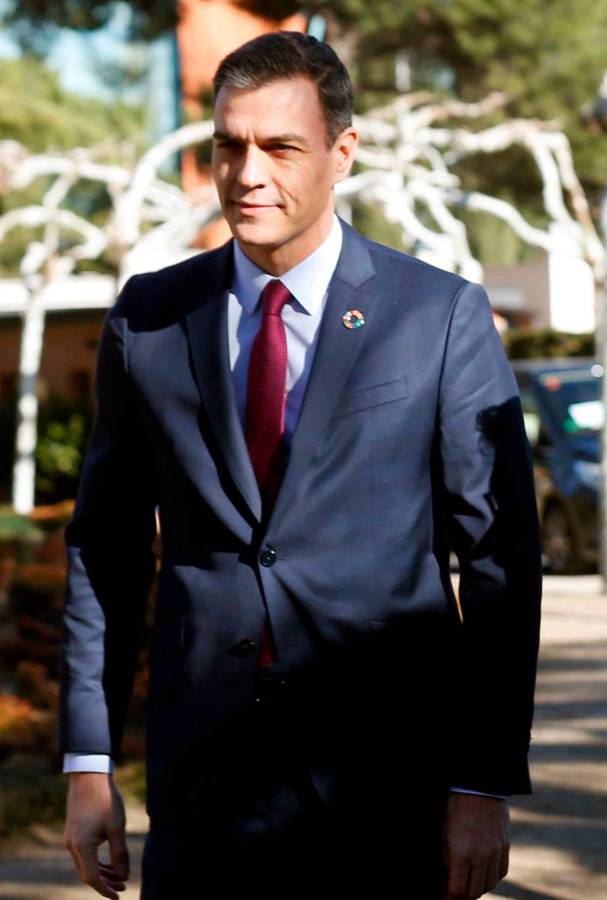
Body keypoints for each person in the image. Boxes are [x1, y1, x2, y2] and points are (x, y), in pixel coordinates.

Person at [58, 32, 541, 900]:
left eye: (281, 147)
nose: (248, 174)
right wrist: (88, 759)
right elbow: (107, 549)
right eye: (229, 146)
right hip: (204, 789)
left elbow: (503, 566)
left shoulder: (437, 317)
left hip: (385, 790)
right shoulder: (150, 319)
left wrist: (482, 781)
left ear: (341, 153)